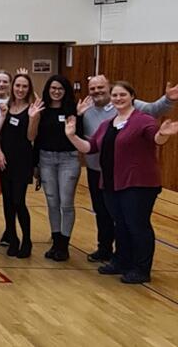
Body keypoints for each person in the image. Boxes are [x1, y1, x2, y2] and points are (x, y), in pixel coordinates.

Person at [64, 81, 178, 284]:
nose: (118, 99)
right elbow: (89, 147)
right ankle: (121, 261)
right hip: (111, 182)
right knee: (120, 224)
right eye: (115, 95)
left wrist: (163, 135)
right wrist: (71, 136)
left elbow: (155, 139)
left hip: (138, 184)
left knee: (137, 225)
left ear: (132, 96)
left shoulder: (143, 120)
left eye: (122, 95)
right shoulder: (107, 124)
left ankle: (141, 268)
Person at [31, 74, 79, 261]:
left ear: (65, 91)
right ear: (48, 90)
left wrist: (80, 116)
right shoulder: (42, 110)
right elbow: (37, 140)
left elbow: (79, 135)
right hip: (46, 159)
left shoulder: (73, 110)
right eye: (53, 88)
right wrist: (35, 164)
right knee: (52, 202)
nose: (56, 92)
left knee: (66, 202)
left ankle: (64, 245)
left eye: (60, 88)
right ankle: (56, 239)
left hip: (68, 159)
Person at [0, 74, 41, 258]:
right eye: (18, 85)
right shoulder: (4, 106)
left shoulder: (32, 109)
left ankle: (27, 240)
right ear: (12, 87)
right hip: (4, 160)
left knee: (18, 202)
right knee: (7, 203)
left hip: (22, 161)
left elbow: (31, 137)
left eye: (24, 86)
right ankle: (12, 238)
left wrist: (32, 118)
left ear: (28, 88)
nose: (20, 89)